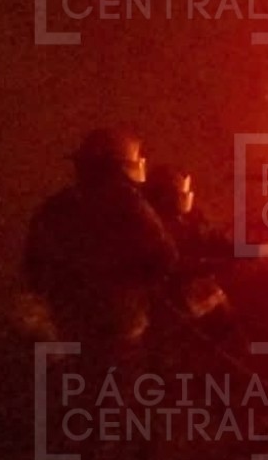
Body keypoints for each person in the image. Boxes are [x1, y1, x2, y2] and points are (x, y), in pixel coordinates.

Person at [23, 127, 178, 355]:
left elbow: (33, 267)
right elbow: (165, 256)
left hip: (66, 327)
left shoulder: (57, 206)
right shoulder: (130, 204)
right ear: (122, 164)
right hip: (119, 328)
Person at [143, 164, 232, 324]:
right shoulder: (152, 225)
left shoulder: (193, 217)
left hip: (198, 286)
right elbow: (169, 266)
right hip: (174, 299)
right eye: (180, 192)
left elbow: (213, 240)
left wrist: (248, 250)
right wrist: (208, 266)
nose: (186, 196)